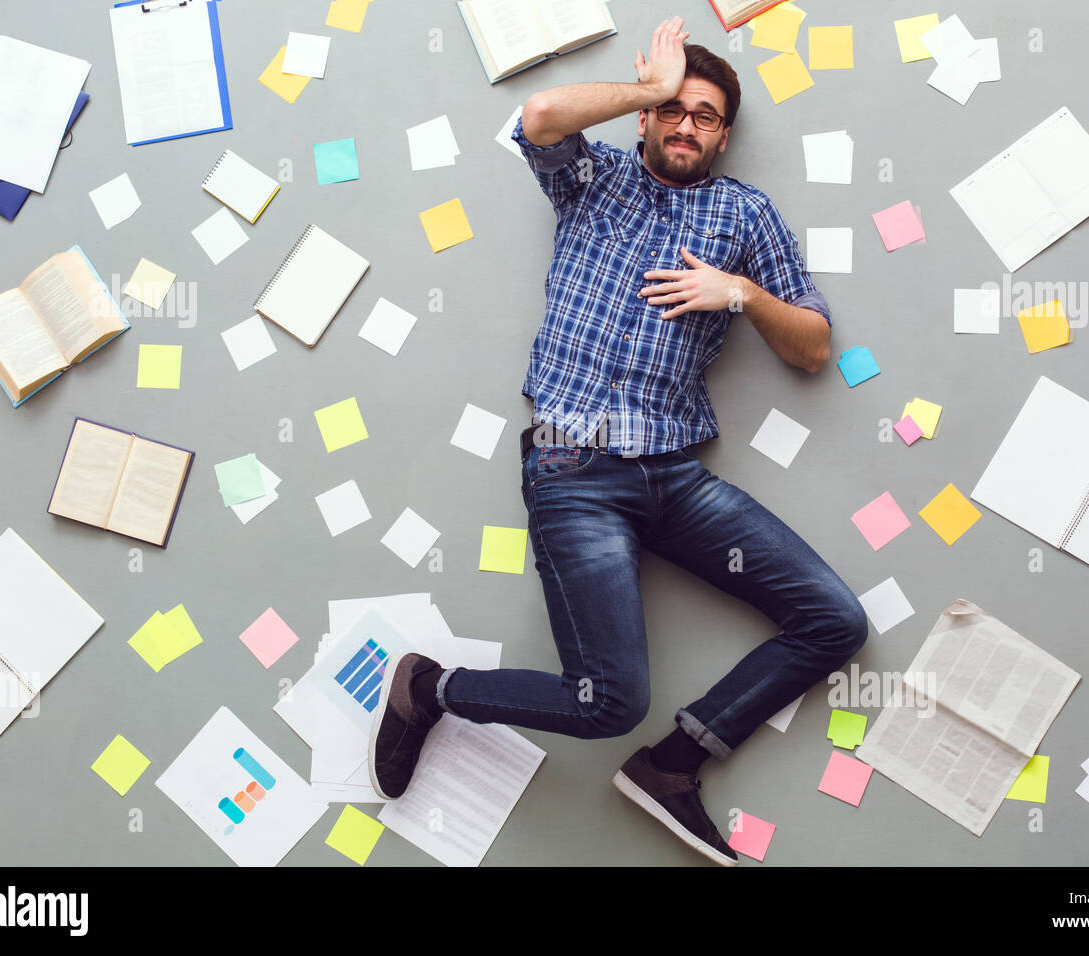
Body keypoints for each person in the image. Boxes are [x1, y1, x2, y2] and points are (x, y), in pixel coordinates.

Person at [368, 16, 867, 866]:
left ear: (724, 133)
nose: (684, 124)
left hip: (676, 476)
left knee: (836, 620)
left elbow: (815, 345)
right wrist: (645, 84)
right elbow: (537, 117)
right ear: (644, 119)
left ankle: (675, 767)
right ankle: (430, 688)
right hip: (575, 470)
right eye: (672, 109)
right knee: (610, 701)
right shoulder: (590, 179)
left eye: (703, 114)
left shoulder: (743, 213)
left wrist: (739, 292)